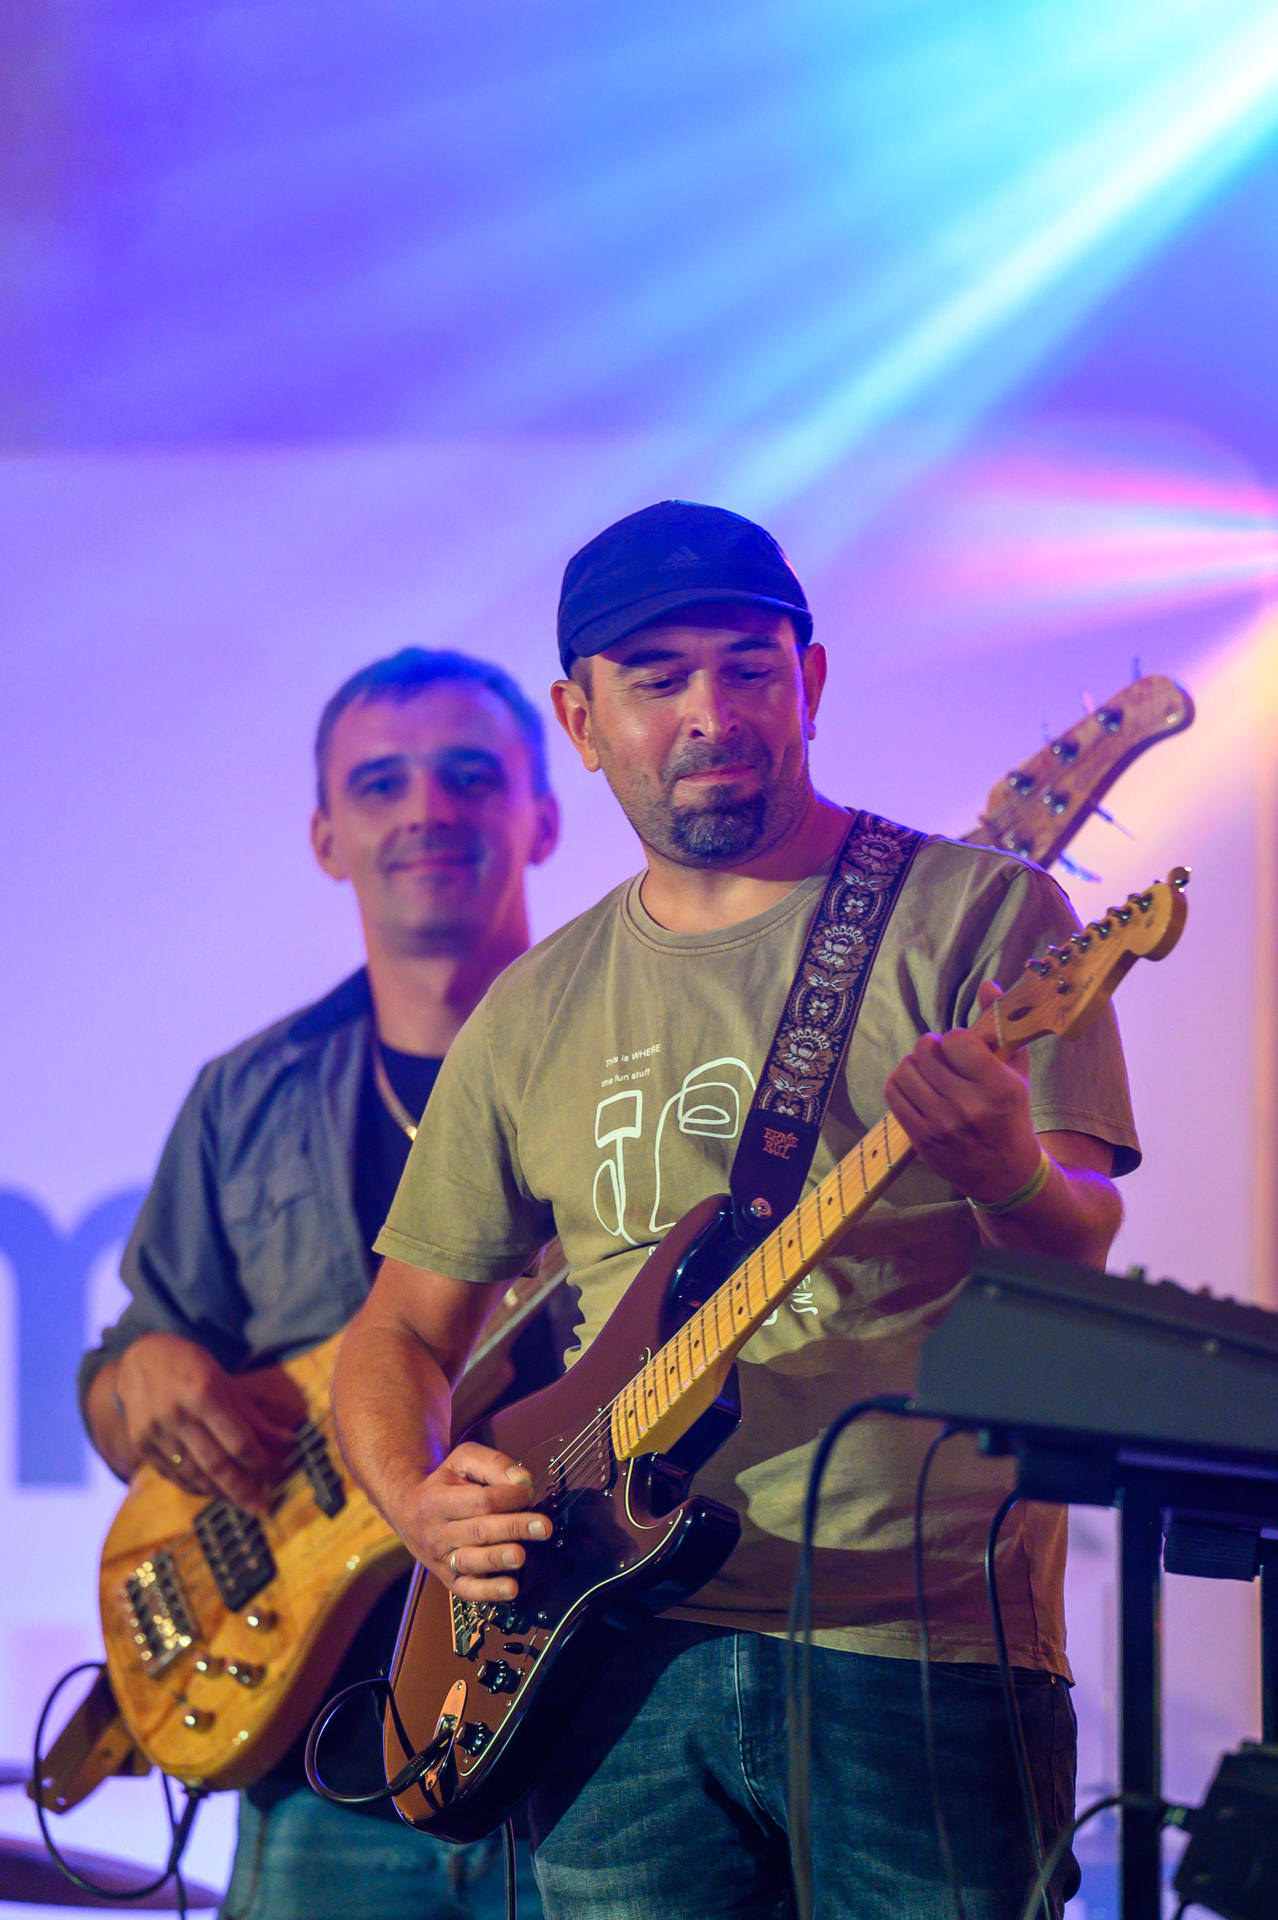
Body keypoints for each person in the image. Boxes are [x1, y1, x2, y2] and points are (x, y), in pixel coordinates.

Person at [332, 503, 1140, 1920]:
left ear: (809, 682)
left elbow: (1077, 1256)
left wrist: (1008, 1166)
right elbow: (398, 1331)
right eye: (658, 681)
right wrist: (418, 1503)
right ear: (581, 723)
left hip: (916, 1645)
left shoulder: (981, 917)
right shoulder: (531, 1007)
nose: (711, 713)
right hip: (601, 1651)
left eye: (749, 669)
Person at [80, 647, 561, 1920]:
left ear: (543, 816)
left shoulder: (632, 1061)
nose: (426, 811)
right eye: (381, 784)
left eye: (470, 776)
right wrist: (140, 1376)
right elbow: (121, 1387)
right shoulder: (244, 1097)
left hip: (589, 1740)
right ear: (325, 836)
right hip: (320, 1771)